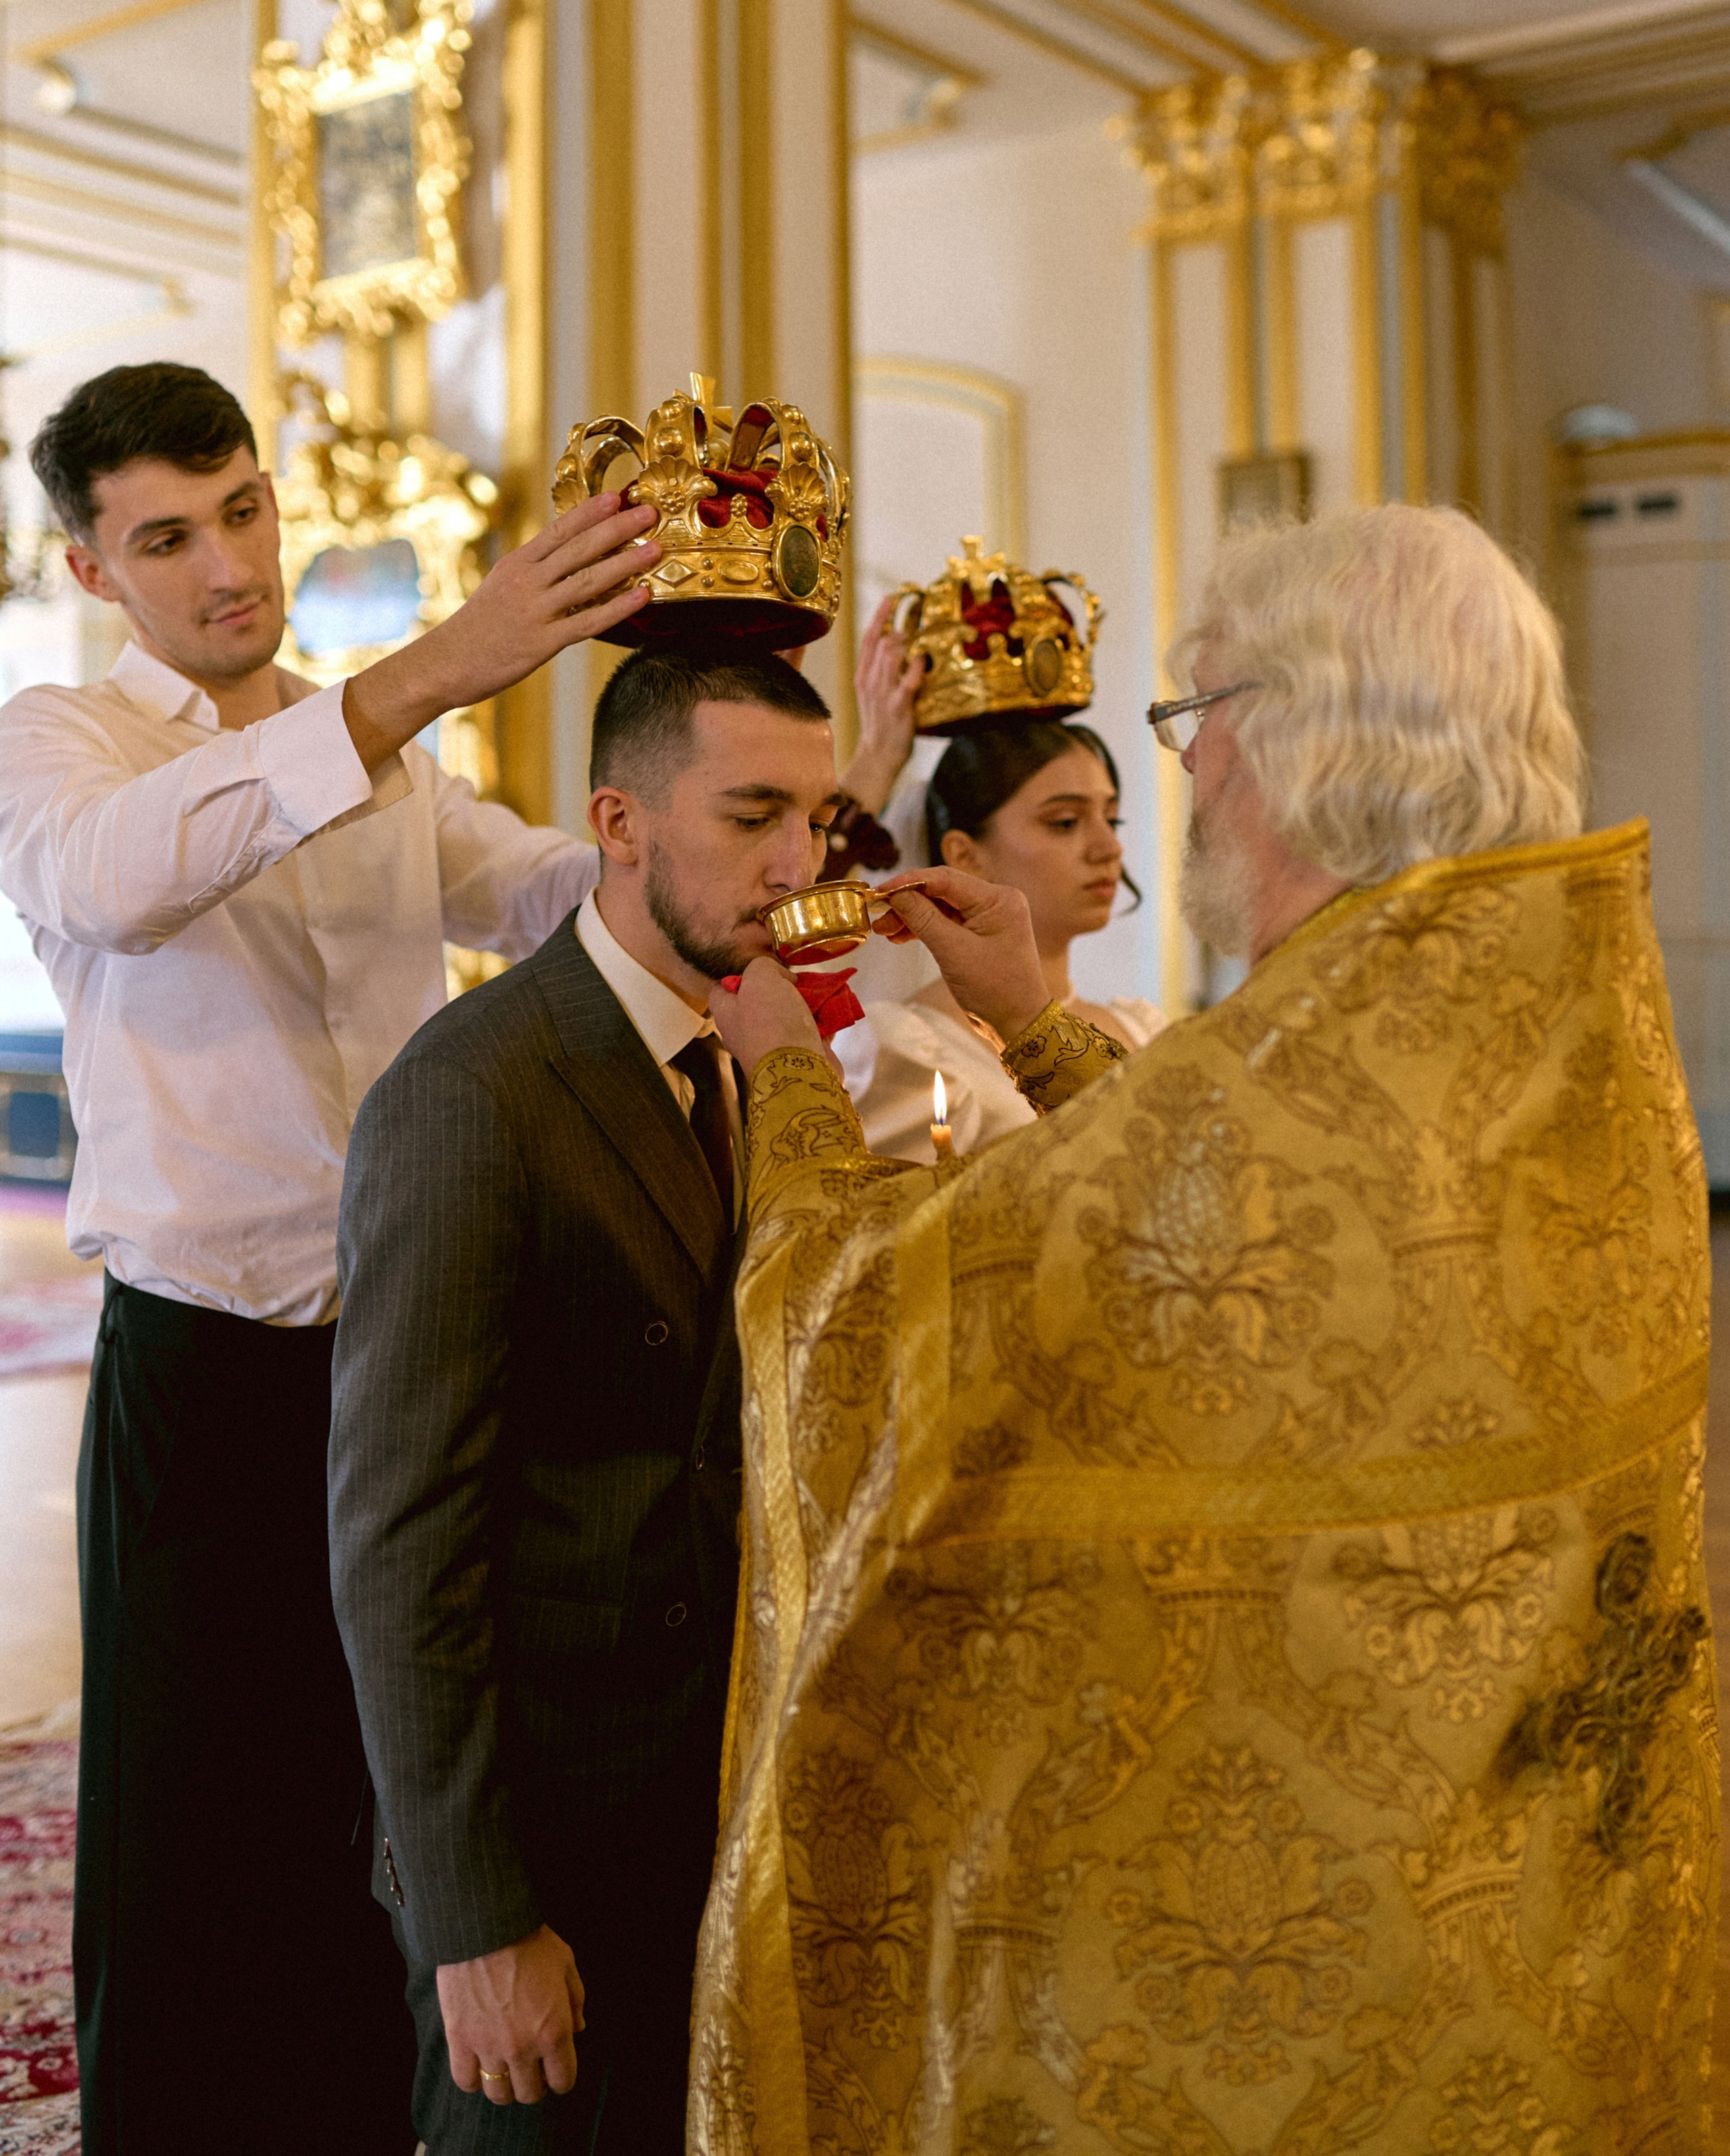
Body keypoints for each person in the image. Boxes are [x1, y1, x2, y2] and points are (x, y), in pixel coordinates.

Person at [692, 504, 1715, 2151]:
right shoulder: (1556, 1034)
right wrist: (1041, 1025)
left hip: (1301, 1982)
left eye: (1193, 723)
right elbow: (1186, 1215)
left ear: (1297, 746)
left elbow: (866, 1342)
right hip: (1516, 1902)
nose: (1185, 780)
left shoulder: (1276, 1095)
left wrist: (789, 1090)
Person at [0, 361, 662, 2156]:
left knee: (417, 1788)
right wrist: (439, 663)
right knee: (206, 1826)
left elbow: (541, 899)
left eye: (243, 512)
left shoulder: (376, 751)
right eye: (165, 538)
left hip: (415, 1353)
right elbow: (121, 881)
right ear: (89, 567)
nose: (224, 567)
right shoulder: (62, 744)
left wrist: (745, 821)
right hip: (206, 1370)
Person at [328, 647, 843, 2153]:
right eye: (752, 815)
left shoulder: (745, 1054)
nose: (797, 867)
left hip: (709, 1805)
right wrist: (478, 1922)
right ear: (617, 822)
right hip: (540, 1838)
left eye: (816, 821)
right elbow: (398, 1545)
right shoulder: (471, 1092)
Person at [833, 718, 1162, 1162]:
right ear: (965, 857)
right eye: (1065, 822)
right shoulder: (910, 1052)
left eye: (1112, 818)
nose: (1109, 847)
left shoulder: (1144, 1028)